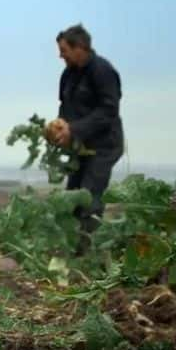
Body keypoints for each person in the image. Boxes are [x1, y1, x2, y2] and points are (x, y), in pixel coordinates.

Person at [51, 24, 124, 255]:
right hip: (79, 146)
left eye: (64, 50)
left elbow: (108, 111)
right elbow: (65, 106)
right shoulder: (68, 74)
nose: (60, 55)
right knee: (72, 197)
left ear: (80, 47)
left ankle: (86, 255)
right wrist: (60, 127)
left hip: (103, 146)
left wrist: (74, 129)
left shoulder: (102, 71)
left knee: (89, 198)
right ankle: (71, 249)